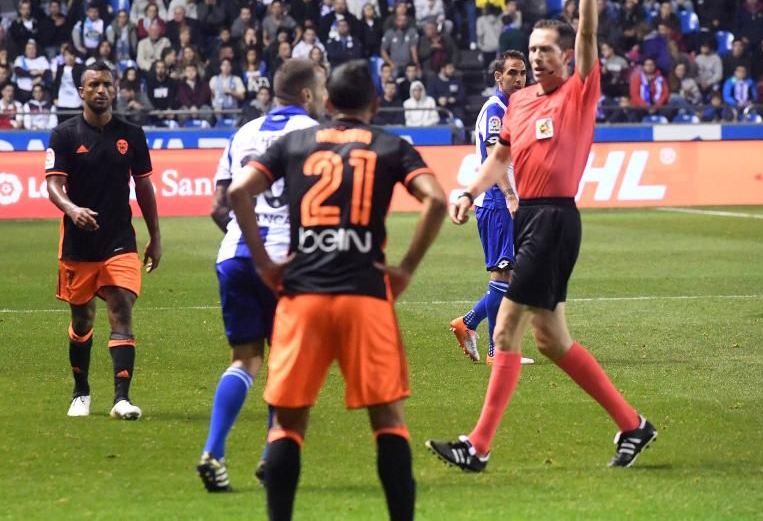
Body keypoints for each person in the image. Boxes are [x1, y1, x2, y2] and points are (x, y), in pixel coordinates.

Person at [427, 0, 656, 472]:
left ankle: (477, 446)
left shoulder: (578, 89)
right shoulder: (520, 102)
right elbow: (500, 158)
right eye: (530, 50)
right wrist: (468, 191)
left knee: (505, 329)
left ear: (564, 55)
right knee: (551, 341)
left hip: (554, 218)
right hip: (528, 216)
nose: (535, 57)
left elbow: (590, 33)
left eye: (545, 49)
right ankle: (633, 425)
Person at [226, 59, 448, 521]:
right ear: (376, 103)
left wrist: (265, 262)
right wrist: (405, 267)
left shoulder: (295, 142)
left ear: (327, 104)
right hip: (365, 296)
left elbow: (237, 192)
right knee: (387, 420)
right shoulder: (391, 145)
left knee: (288, 425)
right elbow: (437, 199)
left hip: (302, 297)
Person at [197, 59, 327, 492]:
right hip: (288, 263)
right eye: (321, 88)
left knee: (244, 360)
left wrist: (249, 243)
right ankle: (274, 453)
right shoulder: (315, 135)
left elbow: (220, 205)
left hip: (236, 256)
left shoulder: (244, 133)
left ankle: (213, 452)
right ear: (307, 94)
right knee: (286, 363)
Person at [44, 61, 162, 420]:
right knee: (82, 320)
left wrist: (155, 236)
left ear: (114, 90)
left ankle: (121, 398)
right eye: (93, 84)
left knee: (121, 309)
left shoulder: (132, 134)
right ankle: (81, 392)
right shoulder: (64, 135)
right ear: (81, 91)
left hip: (119, 240)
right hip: (78, 245)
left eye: (106, 84)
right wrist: (71, 207)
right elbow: (53, 184)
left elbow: (143, 185)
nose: (101, 90)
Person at [447, 51, 534, 365]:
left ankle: (468, 323)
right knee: (503, 273)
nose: (519, 78)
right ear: (498, 76)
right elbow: (491, 160)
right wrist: (510, 194)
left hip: (507, 201)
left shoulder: (515, 109)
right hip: (497, 201)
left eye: (522, 73)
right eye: (512, 73)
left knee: (510, 276)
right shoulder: (495, 110)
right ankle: (497, 351)